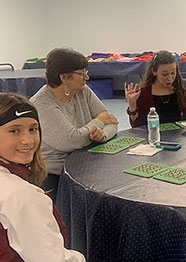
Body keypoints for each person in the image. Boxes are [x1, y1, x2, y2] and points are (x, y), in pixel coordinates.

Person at [0, 93, 154, 262]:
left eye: (33, 129)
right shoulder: (20, 195)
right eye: (14, 131)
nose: (27, 140)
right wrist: (82, 259)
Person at [30, 48, 119, 201]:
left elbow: (112, 121)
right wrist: (99, 122)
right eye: (82, 73)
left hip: (86, 162)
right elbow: (72, 141)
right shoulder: (42, 104)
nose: (87, 77)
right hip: (55, 174)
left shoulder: (83, 91)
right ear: (64, 77)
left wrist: (102, 135)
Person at [125, 50, 186, 127]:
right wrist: (132, 103)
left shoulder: (178, 89)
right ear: (154, 72)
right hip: (153, 136)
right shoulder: (145, 93)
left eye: (173, 73)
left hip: (177, 136)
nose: (170, 78)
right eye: (165, 74)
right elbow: (136, 125)